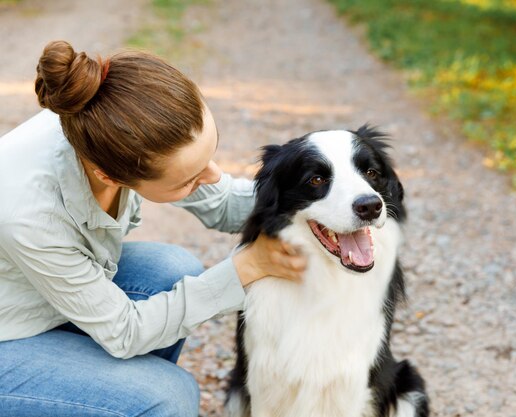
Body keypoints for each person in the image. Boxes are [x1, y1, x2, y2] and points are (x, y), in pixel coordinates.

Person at [0, 40, 306, 416]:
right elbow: (125, 332)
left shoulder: (109, 120)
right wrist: (247, 268)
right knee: (166, 395)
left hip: (36, 297)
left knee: (172, 269)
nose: (212, 176)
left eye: (209, 156)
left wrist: (321, 198)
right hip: (7, 336)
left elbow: (226, 205)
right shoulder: (28, 213)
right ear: (110, 175)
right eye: (189, 179)